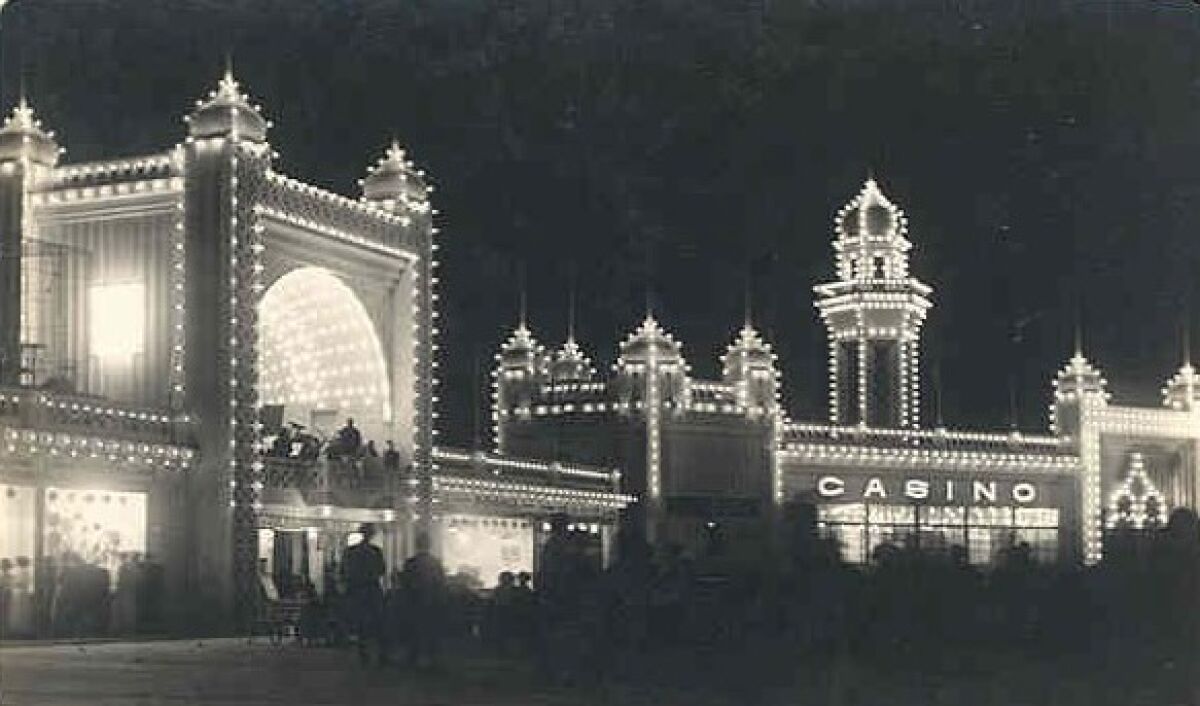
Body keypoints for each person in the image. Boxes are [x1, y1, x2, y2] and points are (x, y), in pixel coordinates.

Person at [342, 524, 387, 666]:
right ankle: (380, 654)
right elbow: (382, 570)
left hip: (356, 589)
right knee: (377, 622)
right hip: (371, 588)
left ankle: (364, 653)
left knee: (361, 622)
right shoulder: (376, 551)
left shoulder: (350, 551)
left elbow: (344, 571)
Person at [400, 533, 446, 669]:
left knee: (414, 630)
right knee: (430, 630)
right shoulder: (435, 563)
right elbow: (440, 582)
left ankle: (413, 657)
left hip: (414, 600)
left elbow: (405, 583)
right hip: (431, 601)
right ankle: (432, 658)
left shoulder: (411, 563)